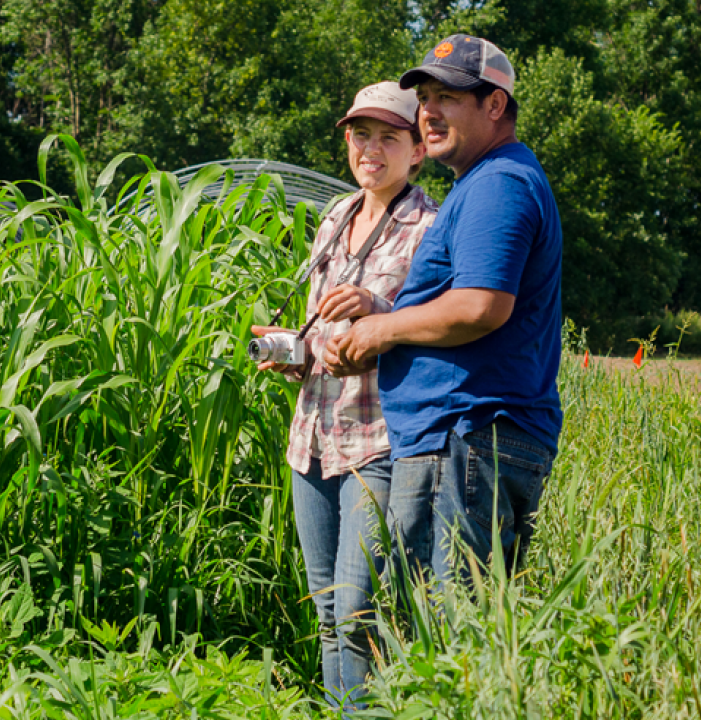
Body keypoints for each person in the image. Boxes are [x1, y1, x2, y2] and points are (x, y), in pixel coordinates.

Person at [324, 35, 564, 585]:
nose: (428, 111)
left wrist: (383, 327)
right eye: (424, 97)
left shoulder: (498, 183)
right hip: (461, 440)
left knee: (443, 631)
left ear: (495, 105)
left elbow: (480, 307)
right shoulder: (483, 181)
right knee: (433, 628)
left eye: (448, 98)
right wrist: (383, 340)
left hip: (466, 439)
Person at [251, 81, 437, 711]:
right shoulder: (334, 219)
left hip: (378, 440)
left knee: (362, 612)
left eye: (390, 137)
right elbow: (319, 341)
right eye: (361, 135)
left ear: (417, 151)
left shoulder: (429, 227)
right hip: (313, 438)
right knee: (328, 610)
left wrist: (378, 309)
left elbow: (441, 327)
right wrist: (289, 350)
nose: (372, 150)